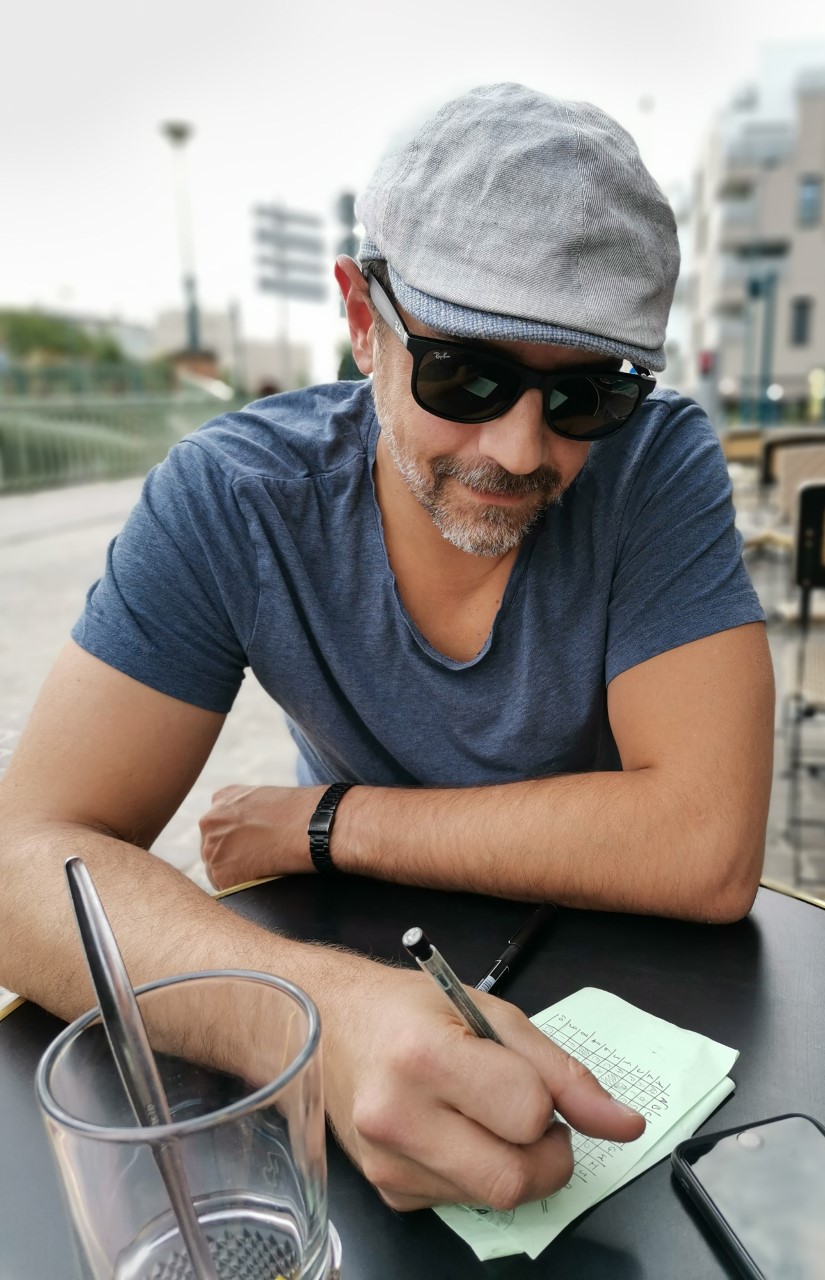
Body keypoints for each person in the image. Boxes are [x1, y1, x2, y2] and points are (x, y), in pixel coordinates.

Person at [0, 83, 773, 1212]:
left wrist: (326, 822)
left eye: (588, 394)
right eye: (467, 374)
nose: (520, 448)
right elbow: (21, 863)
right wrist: (315, 1022)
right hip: (344, 961)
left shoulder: (654, 464)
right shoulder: (236, 497)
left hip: (620, 980)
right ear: (364, 319)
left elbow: (704, 846)